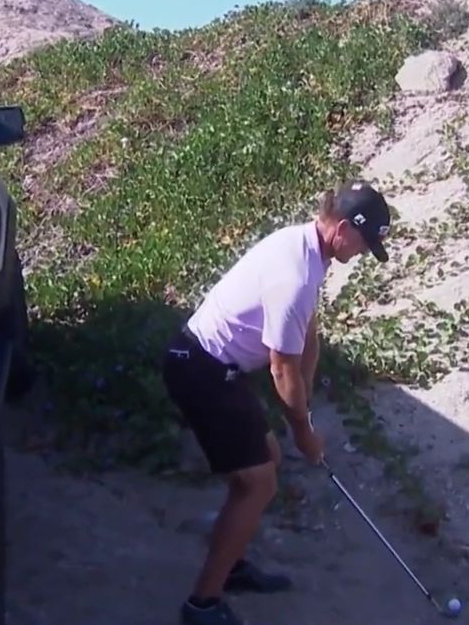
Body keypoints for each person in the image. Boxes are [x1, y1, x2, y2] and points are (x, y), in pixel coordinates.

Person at [161, 181, 392, 625]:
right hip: (200, 370)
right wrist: (304, 432)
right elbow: (281, 368)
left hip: (214, 369)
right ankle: (202, 604)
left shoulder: (306, 249)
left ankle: (230, 566)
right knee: (258, 481)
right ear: (343, 229)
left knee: (263, 459)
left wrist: (301, 408)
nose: (364, 253)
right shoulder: (296, 275)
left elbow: (306, 339)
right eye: (365, 243)